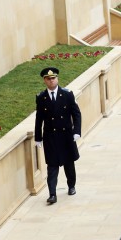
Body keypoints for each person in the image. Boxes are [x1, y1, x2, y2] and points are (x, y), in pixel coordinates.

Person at [34, 67, 81, 205]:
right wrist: (38, 138)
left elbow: (76, 114)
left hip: (66, 135)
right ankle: (52, 194)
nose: (51, 81)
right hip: (51, 137)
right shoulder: (41, 97)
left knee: (68, 164)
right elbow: (39, 119)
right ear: (44, 81)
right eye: (48, 79)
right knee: (52, 167)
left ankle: (71, 186)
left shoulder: (67, 94)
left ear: (57, 79)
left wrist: (76, 131)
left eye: (53, 78)